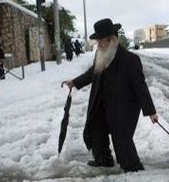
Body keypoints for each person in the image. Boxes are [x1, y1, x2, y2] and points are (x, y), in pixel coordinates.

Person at [65, 18, 158, 173]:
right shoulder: (100, 54)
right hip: (101, 102)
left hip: (123, 106)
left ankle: (133, 167)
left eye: (101, 41)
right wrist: (75, 82)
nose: (99, 45)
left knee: (122, 139)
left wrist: (151, 112)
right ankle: (103, 159)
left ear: (113, 40)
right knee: (95, 128)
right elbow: (92, 73)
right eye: (98, 41)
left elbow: (140, 87)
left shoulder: (130, 60)